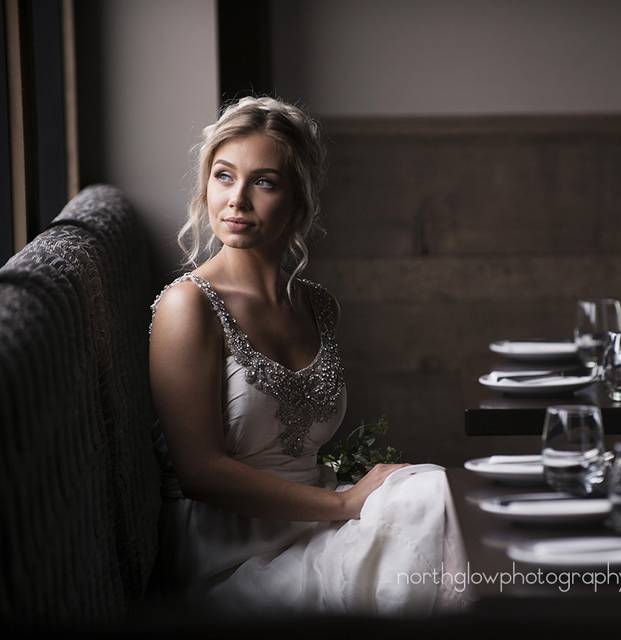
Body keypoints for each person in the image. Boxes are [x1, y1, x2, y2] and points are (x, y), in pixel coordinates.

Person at [148, 96, 468, 616]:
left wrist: (348, 502)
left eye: (264, 182)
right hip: (234, 556)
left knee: (436, 493)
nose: (237, 200)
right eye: (224, 176)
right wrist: (343, 504)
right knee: (428, 507)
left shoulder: (316, 305)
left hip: (316, 523)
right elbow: (199, 472)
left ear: (298, 200)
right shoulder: (188, 306)